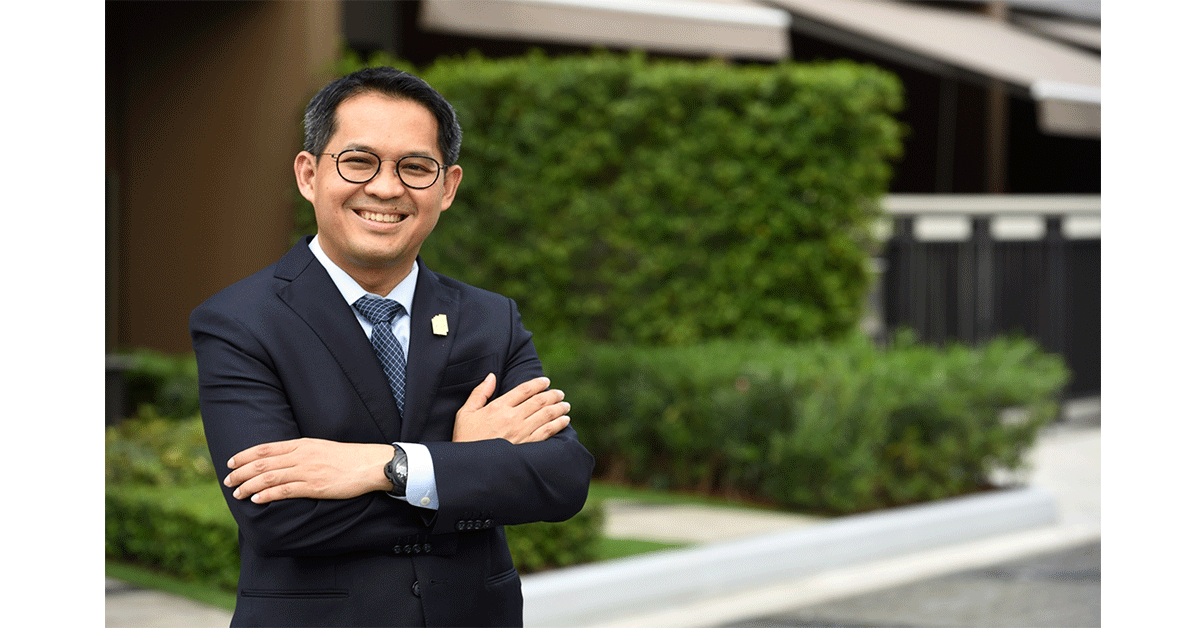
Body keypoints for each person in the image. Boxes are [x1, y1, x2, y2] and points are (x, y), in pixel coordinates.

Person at [189, 66, 594, 628]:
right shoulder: (239, 321)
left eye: (415, 167)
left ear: (447, 187)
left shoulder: (489, 319)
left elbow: (562, 479)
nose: (385, 188)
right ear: (308, 174)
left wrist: (388, 466)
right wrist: (465, 466)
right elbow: (280, 519)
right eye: (358, 161)